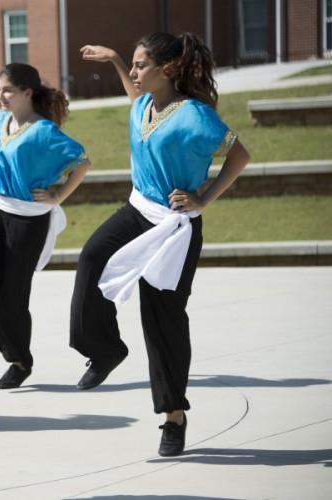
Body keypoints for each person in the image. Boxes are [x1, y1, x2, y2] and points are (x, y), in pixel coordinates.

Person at [72, 33, 250, 457]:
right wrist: (115, 57)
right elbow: (132, 90)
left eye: (139, 64)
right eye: (132, 65)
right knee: (92, 257)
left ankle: (173, 416)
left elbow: (239, 155)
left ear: (167, 69)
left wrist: (204, 197)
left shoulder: (196, 116)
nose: (134, 73)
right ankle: (105, 350)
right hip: (137, 212)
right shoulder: (142, 105)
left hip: (174, 227)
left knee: (162, 318)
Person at [0, 63, 91, 390]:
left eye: (8, 90)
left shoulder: (44, 132)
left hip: (27, 218)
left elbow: (83, 162)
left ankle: (19, 361)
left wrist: (58, 196)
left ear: (28, 92)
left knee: (10, 295)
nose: (1, 95)